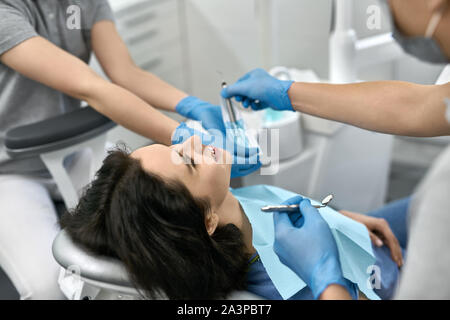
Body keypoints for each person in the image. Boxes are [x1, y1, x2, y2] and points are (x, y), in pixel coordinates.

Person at [0, 0, 258, 299]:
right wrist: (181, 135)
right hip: (9, 170)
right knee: (49, 289)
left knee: (158, 216)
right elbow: (89, 86)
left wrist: (190, 105)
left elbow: (125, 72)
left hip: (77, 152)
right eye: (188, 158)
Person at [214, 0, 450, 299]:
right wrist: (288, 93)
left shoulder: (442, 194)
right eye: (186, 161)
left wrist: (324, 275)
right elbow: (421, 106)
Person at [60, 135, 407, 300]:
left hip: (364, 239)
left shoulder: (228, 204)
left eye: (178, 149)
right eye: (191, 161)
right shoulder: (284, 281)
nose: (195, 138)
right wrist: (324, 268)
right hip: (394, 275)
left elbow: (277, 207)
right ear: (207, 220)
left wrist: (335, 219)